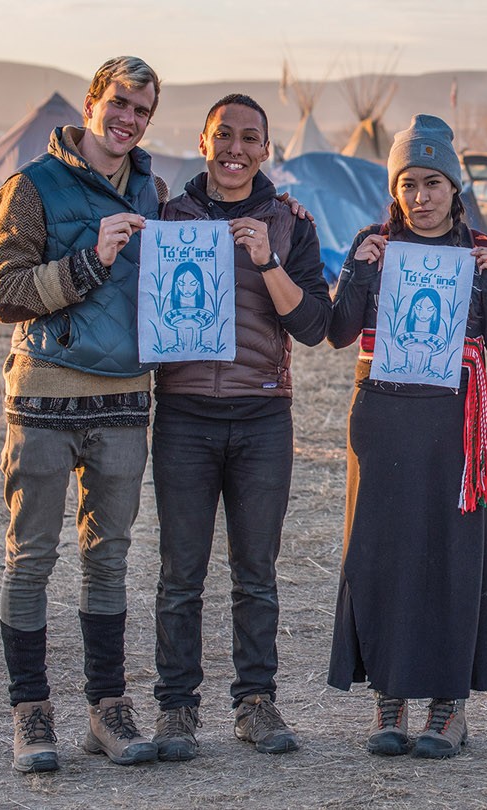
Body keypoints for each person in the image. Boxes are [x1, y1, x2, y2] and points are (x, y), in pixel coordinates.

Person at [0, 56, 165, 773]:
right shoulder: (29, 186)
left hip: (124, 399)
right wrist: (89, 261)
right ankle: (31, 714)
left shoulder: (153, 189)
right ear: (93, 102)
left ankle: (107, 709)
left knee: (110, 559)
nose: (129, 120)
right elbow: (4, 293)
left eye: (143, 110)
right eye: (120, 103)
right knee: (32, 558)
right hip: (43, 396)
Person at [326, 114, 487, 759]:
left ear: (454, 185)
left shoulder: (482, 250)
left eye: (433, 182)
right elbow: (337, 330)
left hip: (451, 426)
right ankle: (389, 698)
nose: (421, 196)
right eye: (408, 182)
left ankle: (448, 707)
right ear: (395, 187)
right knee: (380, 557)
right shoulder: (371, 244)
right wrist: (355, 271)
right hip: (380, 422)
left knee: (448, 559)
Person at [148, 94, 333, 762]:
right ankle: (176, 709)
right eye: (223, 134)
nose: (235, 148)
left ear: (266, 148)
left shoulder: (288, 223)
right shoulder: (167, 215)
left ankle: (255, 703)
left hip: (262, 418)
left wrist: (266, 259)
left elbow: (314, 326)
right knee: (180, 573)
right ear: (203, 140)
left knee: (256, 571)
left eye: (249, 137)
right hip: (184, 416)